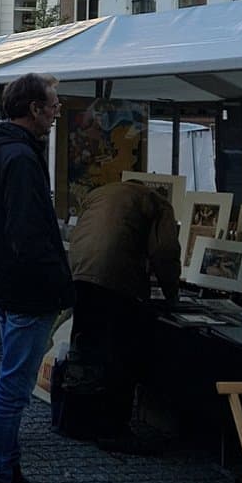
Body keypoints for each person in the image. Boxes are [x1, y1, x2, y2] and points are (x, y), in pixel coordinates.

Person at [0, 73, 72, 483]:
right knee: (13, 389)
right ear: (32, 108)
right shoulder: (22, 159)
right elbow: (29, 233)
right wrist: (56, 283)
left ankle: (7, 472)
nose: (57, 111)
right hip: (28, 291)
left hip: (5, 285)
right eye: (52, 104)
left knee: (10, 383)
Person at [58, 180, 180, 449]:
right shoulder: (159, 204)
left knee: (85, 345)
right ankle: (113, 428)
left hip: (80, 271)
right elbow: (165, 251)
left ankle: (74, 421)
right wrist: (172, 292)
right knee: (120, 352)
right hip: (116, 278)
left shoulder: (100, 192)